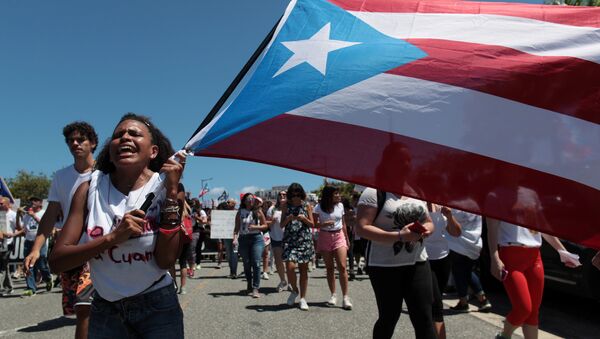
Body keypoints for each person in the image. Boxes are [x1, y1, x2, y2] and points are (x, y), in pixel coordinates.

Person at [49, 113, 185, 338]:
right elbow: (57, 261)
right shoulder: (88, 189)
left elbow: (166, 260)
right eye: (118, 135)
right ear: (110, 152)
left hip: (158, 306)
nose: (125, 138)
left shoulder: (168, 188)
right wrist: (112, 238)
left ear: (153, 151)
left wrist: (171, 194)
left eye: (134, 134)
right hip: (106, 307)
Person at [25, 121, 97, 337]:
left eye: (80, 139)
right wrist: (36, 248)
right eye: (70, 141)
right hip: (71, 251)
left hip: (99, 249)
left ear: (93, 143)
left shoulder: (105, 173)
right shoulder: (61, 177)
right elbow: (50, 216)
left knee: (85, 307)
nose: (75, 143)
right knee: (80, 309)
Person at [356, 188, 436, 339]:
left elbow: (428, 221)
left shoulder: (416, 192)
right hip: (384, 265)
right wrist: (399, 236)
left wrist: (427, 230)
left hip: (418, 261)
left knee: (424, 317)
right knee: (389, 317)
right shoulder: (373, 192)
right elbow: (362, 228)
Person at [424, 203, 461, 339]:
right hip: (423, 259)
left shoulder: (442, 207)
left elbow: (456, 232)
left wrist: (450, 216)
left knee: (431, 305)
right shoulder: (417, 204)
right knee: (437, 304)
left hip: (443, 259)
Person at [313, 186, 353, 310]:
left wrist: (346, 238)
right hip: (324, 236)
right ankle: (333, 295)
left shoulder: (340, 206)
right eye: (336, 193)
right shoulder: (318, 207)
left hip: (339, 235)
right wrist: (323, 224)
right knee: (329, 268)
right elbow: (314, 224)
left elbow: (344, 223)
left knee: (342, 266)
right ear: (329, 195)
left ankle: (346, 297)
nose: (339, 195)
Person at [446, 209, 492, 313]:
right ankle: (483, 299)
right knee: (467, 272)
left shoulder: (455, 208)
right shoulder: (476, 207)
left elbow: (450, 226)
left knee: (459, 273)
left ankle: (463, 302)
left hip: (458, 243)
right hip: (474, 244)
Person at [281, 183, 315, 311]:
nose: (296, 196)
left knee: (303, 270)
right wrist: (289, 218)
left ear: (301, 194)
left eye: (298, 194)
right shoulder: (286, 206)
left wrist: (303, 218)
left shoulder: (306, 205)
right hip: (290, 241)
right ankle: (294, 290)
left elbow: (312, 224)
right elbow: (281, 225)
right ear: (290, 194)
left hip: (304, 240)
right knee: (290, 267)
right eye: (293, 194)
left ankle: (303, 298)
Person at [15, 197, 52, 296]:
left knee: (41, 264)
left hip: (41, 242)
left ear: (40, 203)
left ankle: (48, 278)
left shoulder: (44, 213)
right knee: (28, 264)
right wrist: (18, 216)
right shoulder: (26, 215)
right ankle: (31, 288)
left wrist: (34, 216)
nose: (32, 202)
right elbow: (20, 228)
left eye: (35, 200)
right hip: (28, 241)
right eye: (31, 201)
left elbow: (46, 225)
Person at [233, 193, 267, 298]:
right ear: (244, 201)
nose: (250, 201)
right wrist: (235, 239)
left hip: (256, 238)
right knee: (246, 263)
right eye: (248, 199)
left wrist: (256, 227)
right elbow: (236, 228)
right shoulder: (240, 212)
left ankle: (256, 288)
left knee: (256, 262)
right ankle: (249, 282)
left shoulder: (258, 211)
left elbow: (265, 225)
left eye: (252, 199)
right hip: (243, 239)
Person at [266, 191, 288, 292]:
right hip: (276, 238)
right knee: (279, 262)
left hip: (289, 238)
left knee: (289, 262)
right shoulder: (272, 209)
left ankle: (291, 282)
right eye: (280, 195)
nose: (282, 196)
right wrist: (272, 222)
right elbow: (266, 224)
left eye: (284, 195)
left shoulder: (290, 208)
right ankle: (283, 281)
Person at [0, 197, 17, 295]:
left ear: (7, 204)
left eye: (1, 203)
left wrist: (13, 234)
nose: (0, 205)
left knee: (3, 267)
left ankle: (8, 287)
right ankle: (8, 286)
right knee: (3, 267)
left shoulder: (13, 215)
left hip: (7, 243)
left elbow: (21, 228)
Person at [221, 199, 239, 279]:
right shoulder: (223, 213)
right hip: (226, 235)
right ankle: (231, 271)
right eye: (227, 202)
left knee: (234, 253)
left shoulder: (238, 212)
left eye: (229, 202)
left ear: (234, 204)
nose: (227, 203)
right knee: (228, 254)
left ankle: (234, 272)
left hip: (235, 236)